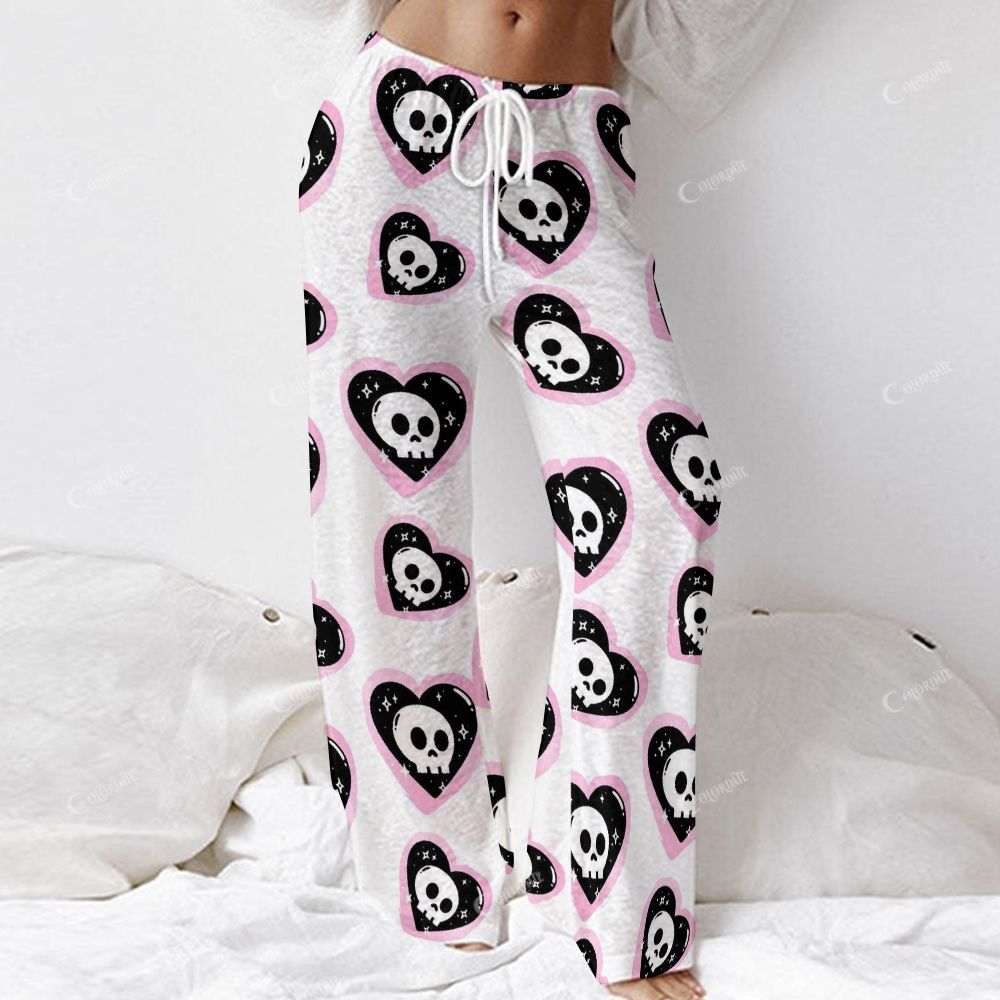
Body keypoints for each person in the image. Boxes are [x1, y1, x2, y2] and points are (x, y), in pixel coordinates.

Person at [299, 2, 719, 997]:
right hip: (394, 134)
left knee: (667, 493)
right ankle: (431, 876)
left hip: (575, 146)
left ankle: (612, 893)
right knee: (384, 515)